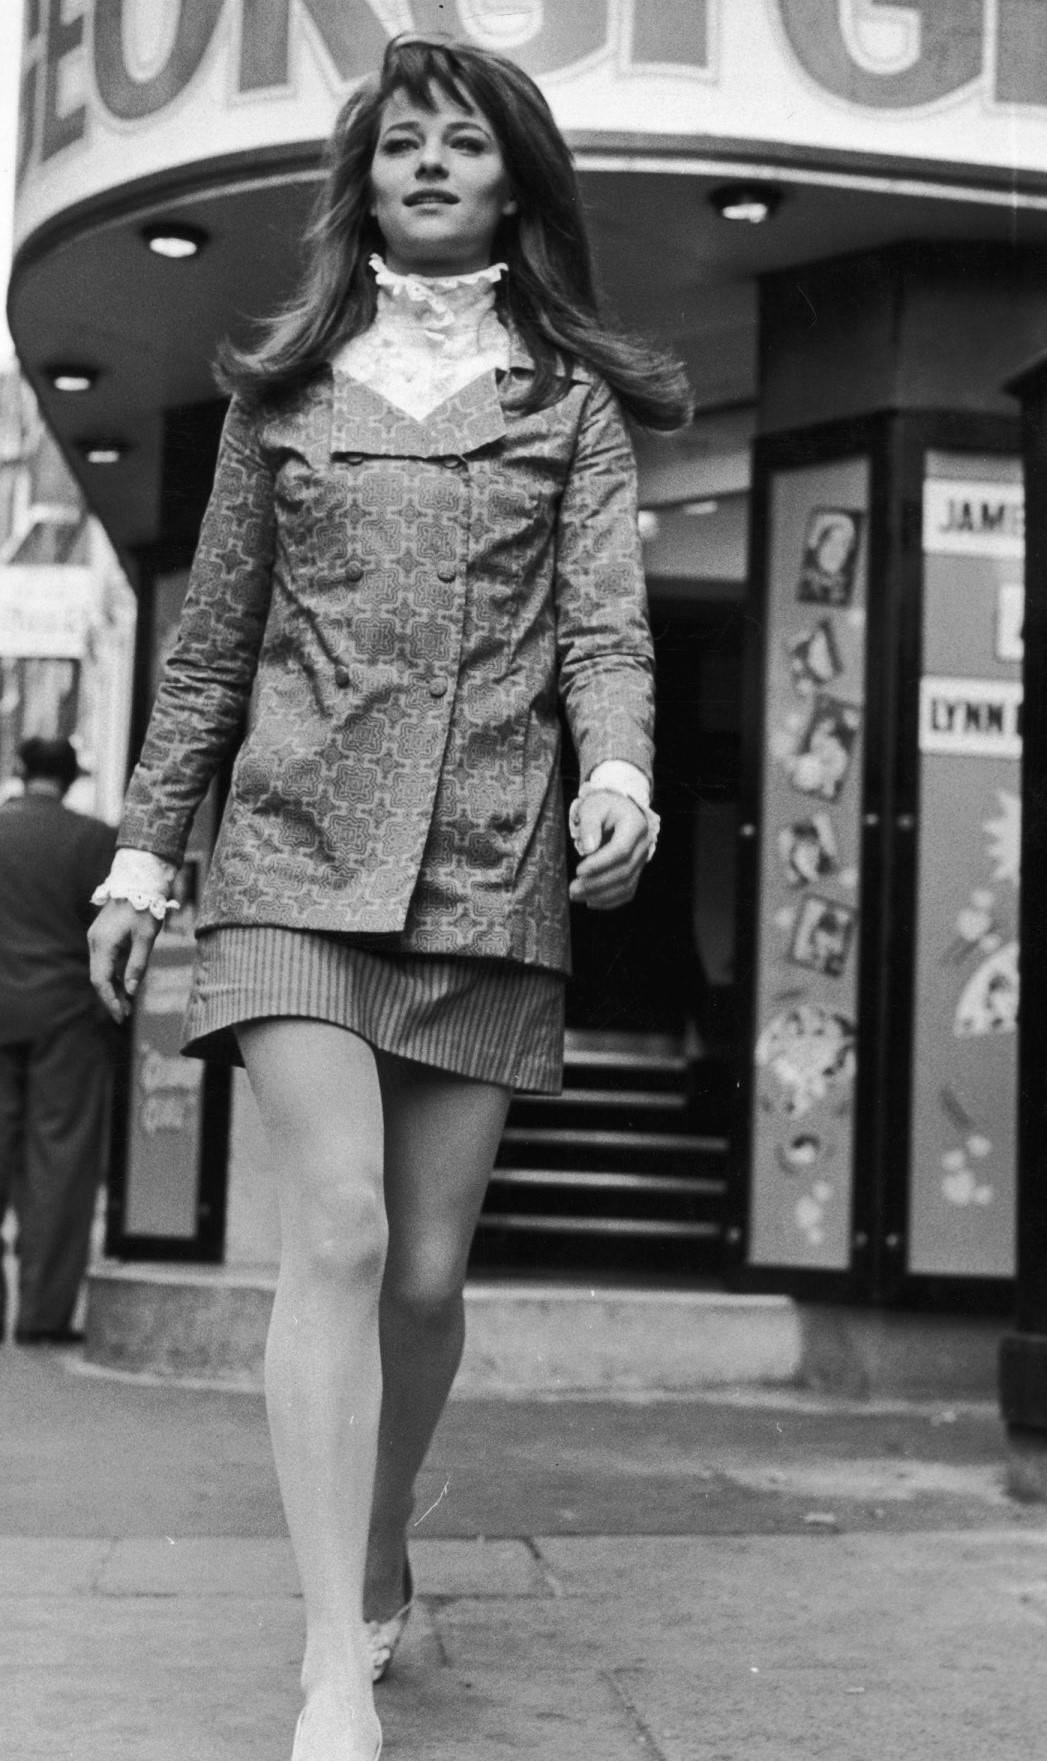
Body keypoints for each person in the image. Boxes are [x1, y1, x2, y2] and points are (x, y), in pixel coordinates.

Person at [87, 34, 690, 1761]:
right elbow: (209, 655)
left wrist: (622, 777)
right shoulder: (279, 395)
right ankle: (332, 1659)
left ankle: (373, 1549)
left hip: (494, 866)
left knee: (424, 1272)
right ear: (362, 179)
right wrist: (146, 853)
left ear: (515, 181)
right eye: (402, 142)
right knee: (337, 1230)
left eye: (465, 143)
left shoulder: (559, 404)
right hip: (284, 861)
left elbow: (604, 632)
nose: (431, 164)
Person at [0, 735, 115, 1344]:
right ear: (70, 779)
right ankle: (43, 1317)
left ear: (20, 772)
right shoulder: (94, 840)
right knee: (59, 1165)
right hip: (66, 1018)